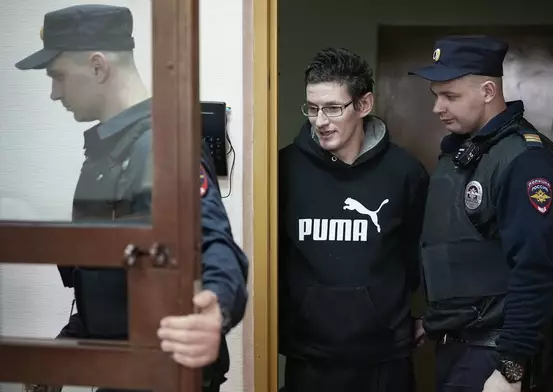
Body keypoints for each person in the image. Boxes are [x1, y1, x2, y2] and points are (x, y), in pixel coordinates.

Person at [15, 5, 248, 392]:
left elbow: (214, 245)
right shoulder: (110, 151)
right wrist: (65, 349)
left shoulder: (160, 147)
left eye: (57, 76)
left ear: (97, 66)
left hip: (160, 377)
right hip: (124, 371)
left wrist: (215, 309)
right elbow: (112, 285)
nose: (54, 92)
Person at [408, 36, 553, 392]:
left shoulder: (525, 160)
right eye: (436, 95)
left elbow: (535, 268)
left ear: (487, 91)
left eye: (450, 96)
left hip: (493, 355)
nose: (438, 107)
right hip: (455, 347)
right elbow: (460, 255)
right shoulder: (463, 153)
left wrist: (511, 368)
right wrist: (434, 321)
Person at [278, 47, 429, 392]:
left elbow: (420, 254)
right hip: (310, 355)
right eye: (313, 108)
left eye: (333, 108)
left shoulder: (404, 172)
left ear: (363, 105)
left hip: (384, 357)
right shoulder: (283, 169)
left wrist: (426, 317)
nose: (320, 121)